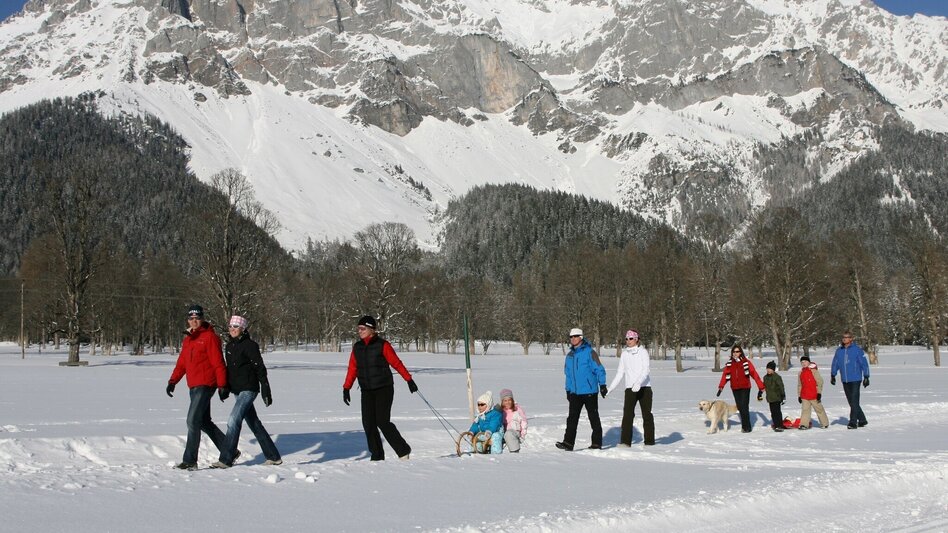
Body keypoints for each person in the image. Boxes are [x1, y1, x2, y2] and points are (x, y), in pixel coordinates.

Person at [342, 315, 418, 460]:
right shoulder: (357, 347)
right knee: (368, 423)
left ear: (372, 329)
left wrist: (409, 380)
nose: (360, 331)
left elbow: (396, 363)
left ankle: (403, 450)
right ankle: (377, 455)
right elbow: (352, 368)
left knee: (382, 421)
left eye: (363, 328)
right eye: (358, 328)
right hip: (366, 390)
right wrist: (346, 388)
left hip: (384, 388)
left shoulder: (383, 345)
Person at [211, 315, 282, 468]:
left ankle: (226, 459)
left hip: (249, 389)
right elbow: (230, 370)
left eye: (236, 327)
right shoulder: (229, 346)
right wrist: (225, 387)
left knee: (233, 420)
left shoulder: (250, 345)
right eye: (230, 327)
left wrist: (265, 388)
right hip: (237, 390)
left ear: (243, 329)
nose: (232, 330)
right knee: (254, 424)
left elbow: (260, 367)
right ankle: (273, 456)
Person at [166, 304, 228, 470]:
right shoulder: (188, 339)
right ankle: (229, 450)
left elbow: (218, 363)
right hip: (193, 385)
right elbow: (182, 364)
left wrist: (222, 385)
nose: (194, 321)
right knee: (203, 422)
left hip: (206, 384)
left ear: (202, 319)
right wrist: (173, 381)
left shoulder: (210, 337)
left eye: (197, 318)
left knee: (192, 420)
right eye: (191, 318)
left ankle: (190, 461)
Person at [556, 327, 607, 451]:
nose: (573, 339)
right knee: (572, 418)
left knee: (593, 417)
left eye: (575, 336)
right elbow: (568, 374)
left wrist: (602, 385)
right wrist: (568, 390)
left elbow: (599, 369)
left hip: (589, 391)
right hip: (575, 392)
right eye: (571, 337)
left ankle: (596, 443)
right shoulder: (570, 355)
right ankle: (568, 443)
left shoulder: (590, 352)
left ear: (581, 337)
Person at [607, 329, 655, 446]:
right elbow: (620, 373)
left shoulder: (643, 352)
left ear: (637, 339)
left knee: (647, 415)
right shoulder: (624, 354)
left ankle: (649, 442)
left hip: (644, 388)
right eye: (627, 339)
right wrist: (610, 388)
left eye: (631, 338)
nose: (628, 341)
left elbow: (646, 369)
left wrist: (638, 383)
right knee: (627, 415)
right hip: (630, 389)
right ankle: (625, 442)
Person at [716, 345, 765, 433]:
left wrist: (761, 386)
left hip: (745, 387)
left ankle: (747, 427)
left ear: (741, 352)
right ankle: (745, 425)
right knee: (740, 407)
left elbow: (754, 374)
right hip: (735, 388)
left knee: (744, 406)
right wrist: (721, 386)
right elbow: (725, 376)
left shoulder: (746, 362)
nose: (736, 353)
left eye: (737, 351)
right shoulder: (730, 364)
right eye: (734, 352)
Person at [830, 330, 870, 429]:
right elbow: (835, 363)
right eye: (843, 337)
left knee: (854, 400)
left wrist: (866, 376)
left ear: (851, 339)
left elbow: (864, 364)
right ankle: (862, 419)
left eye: (847, 337)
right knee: (851, 401)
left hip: (856, 378)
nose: (844, 339)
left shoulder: (857, 350)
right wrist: (833, 374)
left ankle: (853, 422)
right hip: (845, 379)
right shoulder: (839, 351)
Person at [798, 354, 829, 430]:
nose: (803, 363)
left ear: (809, 362)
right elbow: (799, 385)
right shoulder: (800, 372)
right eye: (802, 362)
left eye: (805, 361)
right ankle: (804, 424)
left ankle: (824, 423)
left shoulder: (814, 371)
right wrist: (799, 395)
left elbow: (820, 382)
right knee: (805, 410)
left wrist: (819, 393)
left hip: (814, 395)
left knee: (819, 409)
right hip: (805, 395)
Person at [499, 389, 527, 453]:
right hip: (504, 432)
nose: (507, 402)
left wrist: (523, 435)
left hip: (515, 432)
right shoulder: (500, 411)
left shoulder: (517, 410)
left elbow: (524, 422)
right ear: (502, 402)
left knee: (509, 434)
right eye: (505, 400)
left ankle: (515, 452)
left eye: (509, 400)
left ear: (512, 400)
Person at [763, 361, 786, 432]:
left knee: (777, 412)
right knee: (773, 412)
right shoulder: (765, 377)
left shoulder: (777, 377)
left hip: (777, 397)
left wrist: (783, 396)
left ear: (773, 369)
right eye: (767, 369)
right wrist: (759, 393)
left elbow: (781, 387)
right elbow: (764, 387)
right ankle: (776, 424)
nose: (768, 370)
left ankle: (779, 425)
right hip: (770, 398)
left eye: (770, 369)